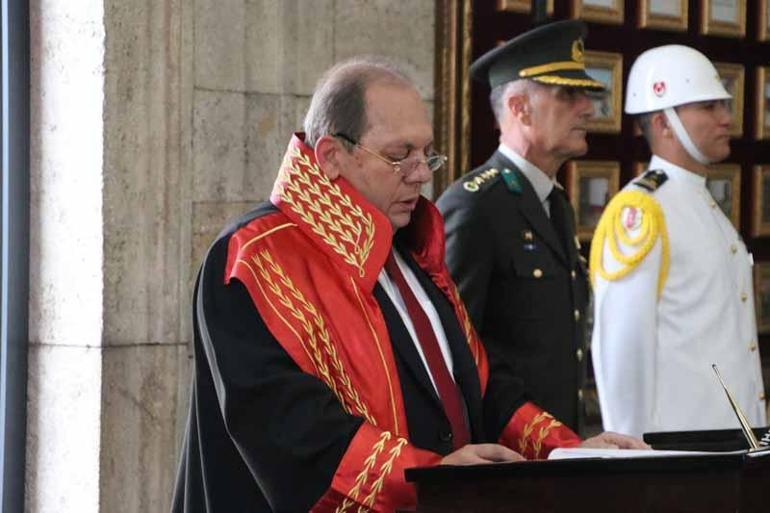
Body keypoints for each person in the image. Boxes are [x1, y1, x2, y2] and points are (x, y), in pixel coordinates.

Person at [171, 57, 644, 513]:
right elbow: (288, 426)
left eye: (426, 154)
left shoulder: (407, 244)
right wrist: (431, 477)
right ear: (332, 156)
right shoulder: (255, 255)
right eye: (400, 155)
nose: (422, 173)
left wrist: (569, 452)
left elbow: (478, 385)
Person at [590, 45, 767, 437]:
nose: (726, 119)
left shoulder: (704, 204)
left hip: (730, 448)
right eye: (708, 107)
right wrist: (632, 455)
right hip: (677, 455)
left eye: (723, 105)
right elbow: (623, 351)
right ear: (664, 122)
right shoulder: (642, 212)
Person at [437, 20, 603, 432]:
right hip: (504, 458)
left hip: (558, 449)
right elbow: (453, 349)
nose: (588, 108)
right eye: (568, 94)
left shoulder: (555, 203)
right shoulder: (474, 205)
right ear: (518, 107)